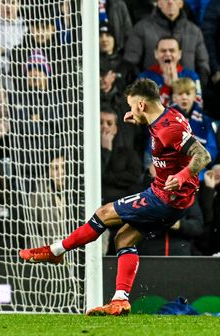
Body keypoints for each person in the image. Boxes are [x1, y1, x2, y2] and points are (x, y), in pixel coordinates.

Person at [20, 78, 213, 316]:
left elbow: (202, 155)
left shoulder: (168, 127)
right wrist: (141, 121)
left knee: (103, 214)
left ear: (142, 105)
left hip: (165, 197)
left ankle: (56, 251)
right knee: (123, 239)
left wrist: (182, 176)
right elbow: (170, 144)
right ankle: (120, 299)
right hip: (173, 198)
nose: (130, 111)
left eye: (132, 106)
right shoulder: (162, 117)